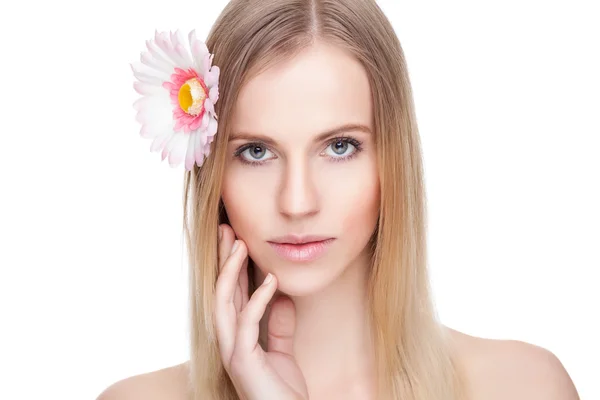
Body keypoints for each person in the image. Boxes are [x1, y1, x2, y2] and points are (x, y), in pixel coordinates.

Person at [99, 0, 580, 399]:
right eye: (257, 151)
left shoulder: (525, 386)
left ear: (393, 159)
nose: (297, 202)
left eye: (339, 147)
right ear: (213, 178)